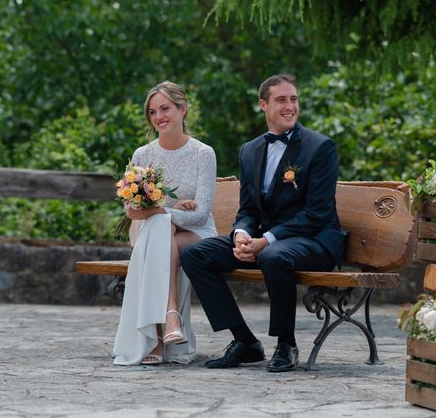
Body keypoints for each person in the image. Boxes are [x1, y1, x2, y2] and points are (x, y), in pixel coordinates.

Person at [180, 74, 346, 372]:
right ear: (263, 105)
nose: (289, 106)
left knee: (273, 254)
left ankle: (286, 344)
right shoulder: (250, 150)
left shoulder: (320, 148)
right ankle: (245, 342)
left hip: (315, 240)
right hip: (266, 241)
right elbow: (248, 209)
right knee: (195, 254)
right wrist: (242, 234)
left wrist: (265, 240)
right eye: (281, 100)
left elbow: (317, 213)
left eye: (293, 99)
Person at [113, 81, 217, 366]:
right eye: (152, 111)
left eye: (165, 108)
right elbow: (132, 211)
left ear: (183, 110)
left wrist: (162, 212)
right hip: (160, 236)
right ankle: (172, 317)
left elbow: (200, 214)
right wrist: (166, 211)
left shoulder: (203, 154)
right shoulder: (142, 155)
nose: (159, 116)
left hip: (198, 235)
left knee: (159, 230)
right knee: (160, 231)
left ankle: (158, 336)